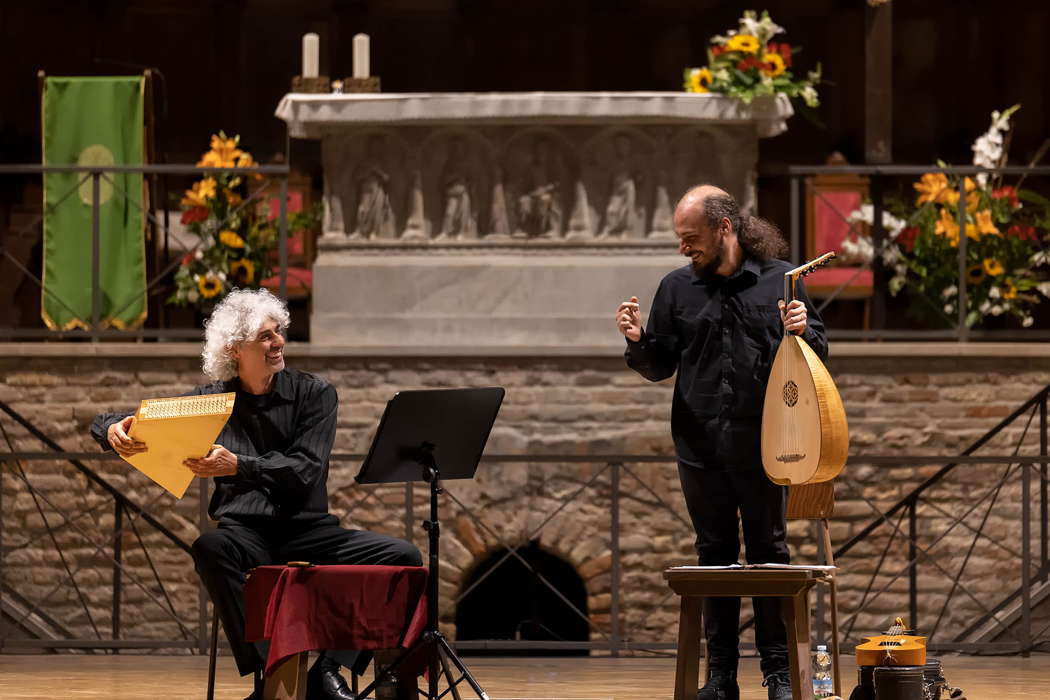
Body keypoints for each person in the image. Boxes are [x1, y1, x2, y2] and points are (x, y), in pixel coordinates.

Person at [91, 289, 421, 700]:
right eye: (265, 336)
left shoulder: (316, 394)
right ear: (235, 348)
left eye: (278, 331)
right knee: (210, 546)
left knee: (403, 557)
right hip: (246, 533)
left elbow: (306, 470)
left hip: (309, 530)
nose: (278, 342)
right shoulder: (211, 402)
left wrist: (240, 465)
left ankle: (329, 667)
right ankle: (274, 675)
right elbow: (131, 418)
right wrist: (110, 429)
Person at [615, 185, 827, 700]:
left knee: (769, 555)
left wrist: (802, 330)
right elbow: (661, 364)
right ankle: (722, 676)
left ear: (725, 228)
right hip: (700, 442)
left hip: (768, 442)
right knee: (714, 557)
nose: (684, 248)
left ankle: (778, 674)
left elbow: (818, 352)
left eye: (691, 238)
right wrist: (638, 342)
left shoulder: (784, 280)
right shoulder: (676, 288)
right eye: (681, 240)